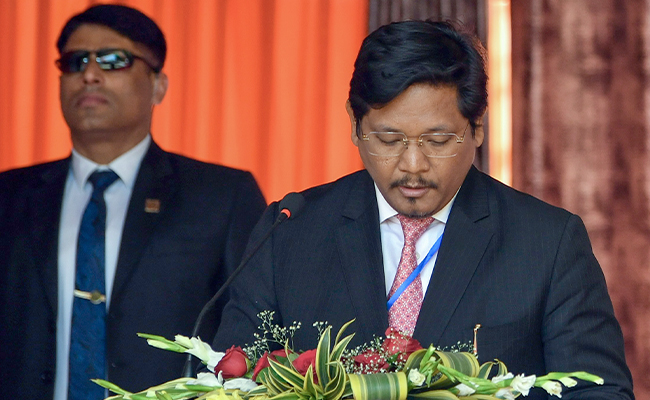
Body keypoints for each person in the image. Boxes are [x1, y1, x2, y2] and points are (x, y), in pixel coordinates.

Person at [213, 20, 634, 399]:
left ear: (478, 127)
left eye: (437, 141)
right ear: (355, 126)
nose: (412, 165)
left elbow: (600, 392)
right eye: (389, 140)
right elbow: (230, 383)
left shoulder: (548, 243)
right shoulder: (289, 232)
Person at [0, 4, 266, 400]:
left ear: (158, 85)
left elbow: (255, 333)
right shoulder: (9, 197)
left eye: (112, 60)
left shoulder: (221, 197)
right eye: (75, 62)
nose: (90, 74)